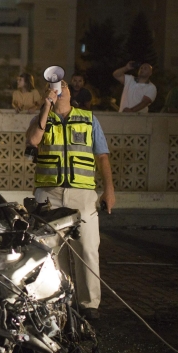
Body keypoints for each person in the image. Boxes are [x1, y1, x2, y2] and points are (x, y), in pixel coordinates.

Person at [25, 80, 115, 321]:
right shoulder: (41, 119)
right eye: (52, 86)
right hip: (49, 195)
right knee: (52, 252)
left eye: (62, 85)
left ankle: (89, 305)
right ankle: (58, 301)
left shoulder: (88, 119)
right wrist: (46, 106)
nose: (58, 88)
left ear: (70, 91)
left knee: (87, 249)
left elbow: (102, 156)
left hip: (82, 195)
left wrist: (109, 190)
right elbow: (33, 141)